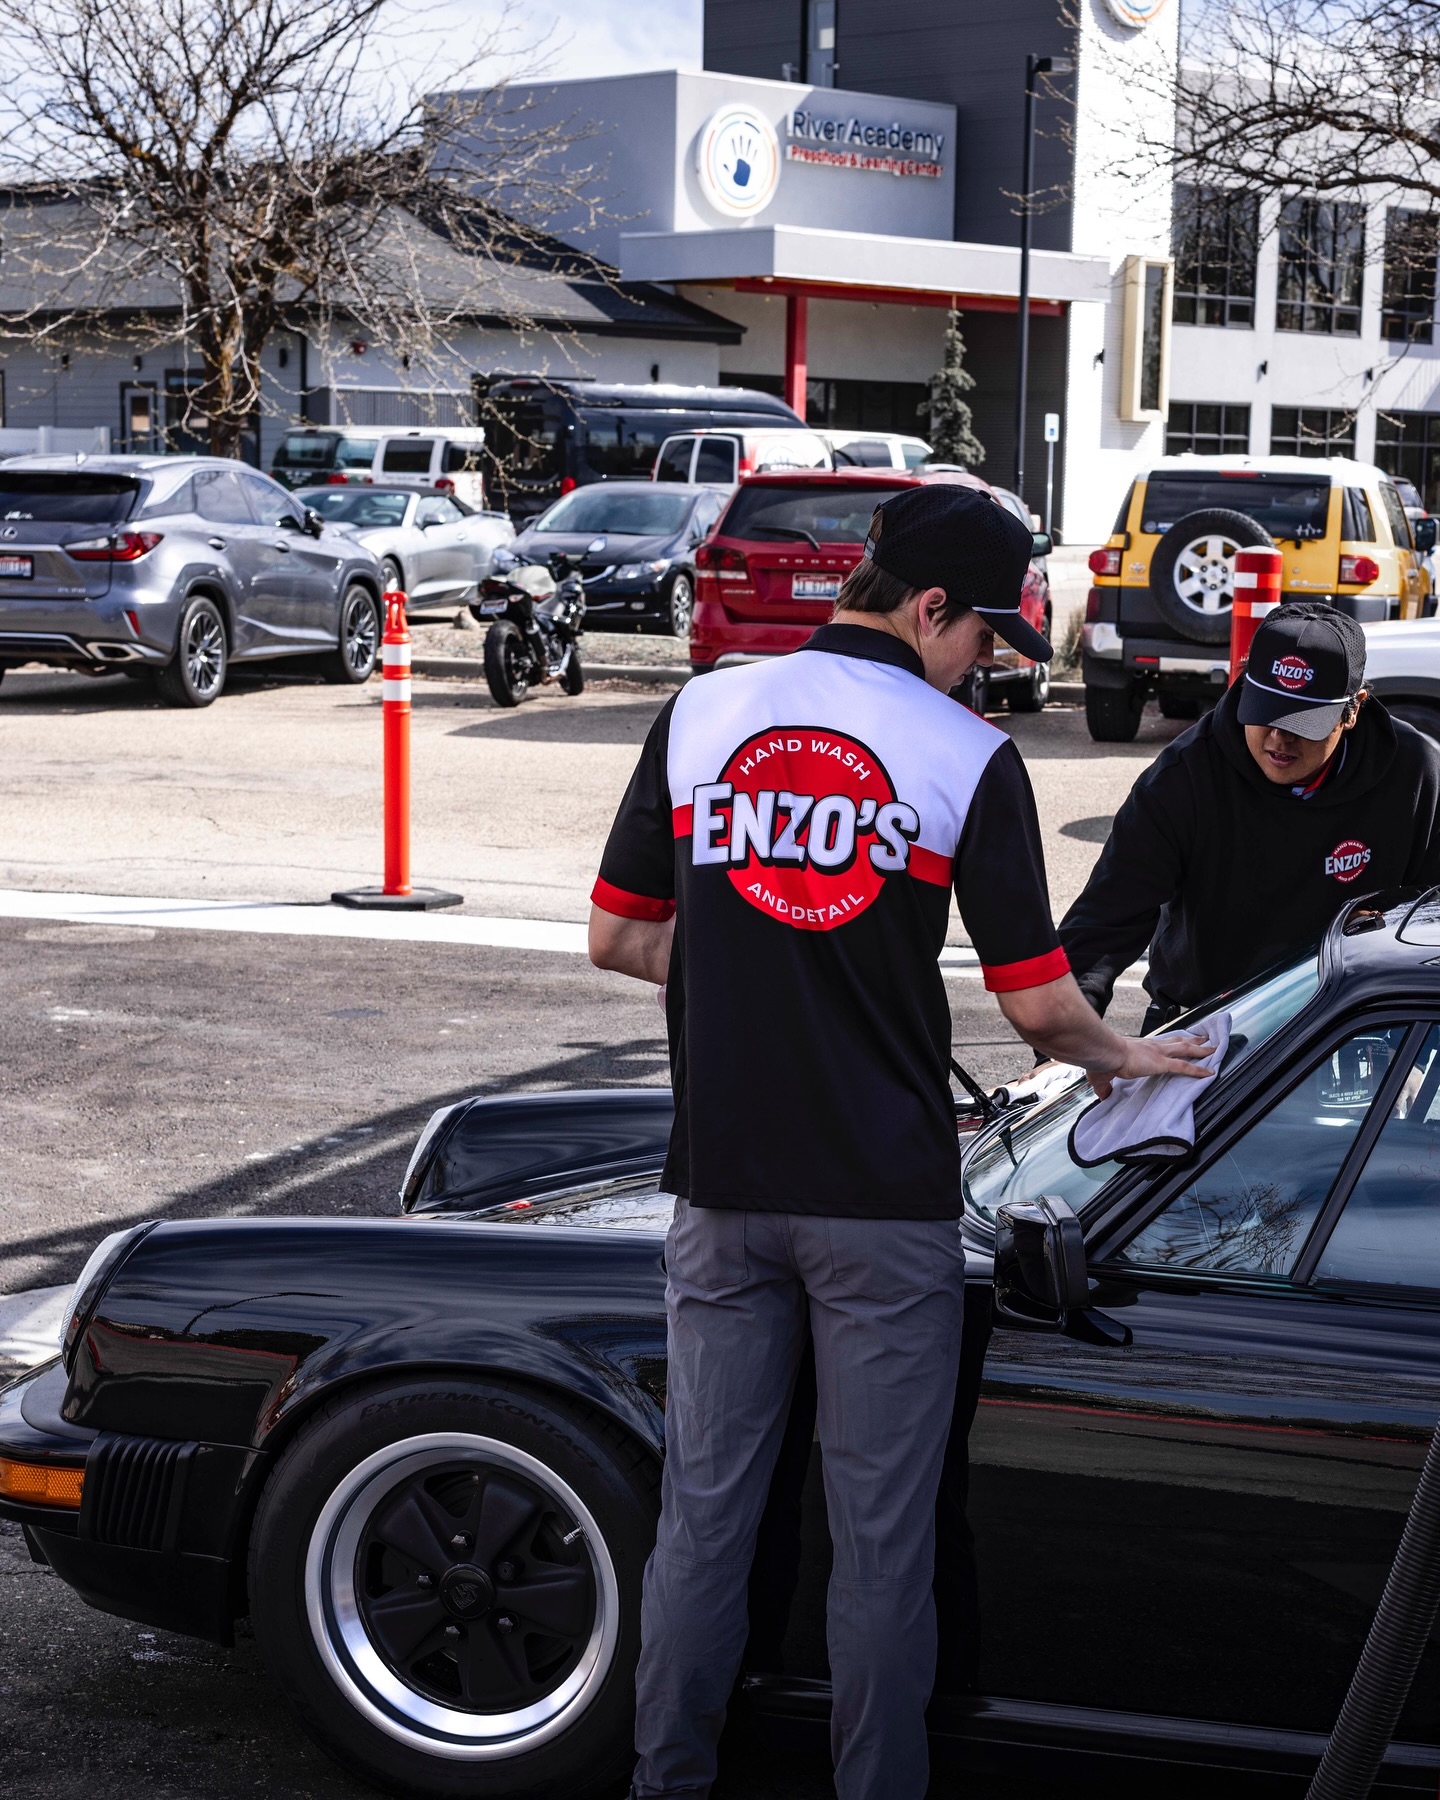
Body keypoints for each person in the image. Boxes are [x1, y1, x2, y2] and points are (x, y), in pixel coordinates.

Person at [588, 483, 1211, 1800]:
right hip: (881, 1202)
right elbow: (1039, 1005)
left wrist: (765, 957)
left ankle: (667, 1782)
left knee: (704, 1518)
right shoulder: (961, 757)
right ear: (932, 609)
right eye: (984, 641)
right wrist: (1133, 1054)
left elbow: (622, 935)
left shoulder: (704, 708)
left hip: (720, 1186)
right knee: (881, 1543)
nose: (986, 670)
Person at [1061, 601, 1440, 1030]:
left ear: (1352, 710)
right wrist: (1061, 1046)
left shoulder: (1414, 774)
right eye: (1266, 711)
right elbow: (1100, 928)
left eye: (1303, 721)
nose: (1278, 738)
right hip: (1208, 1024)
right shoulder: (1182, 778)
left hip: (1354, 1028)